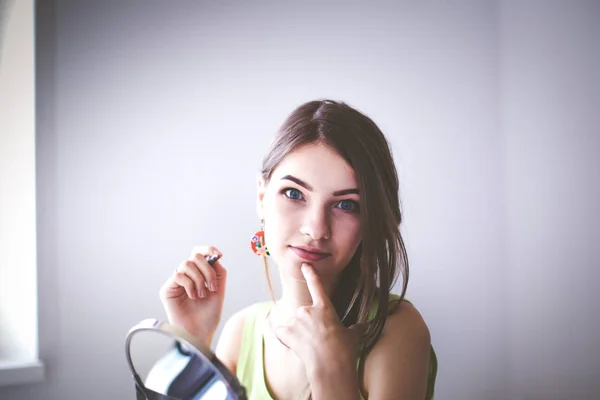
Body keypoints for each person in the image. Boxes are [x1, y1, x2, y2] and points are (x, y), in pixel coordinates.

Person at [160, 99, 437, 399]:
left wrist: (332, 375)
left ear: (370, 221)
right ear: (261, 197)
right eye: (294, 193)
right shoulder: (240, 333)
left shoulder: (395, 330)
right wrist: (192, 344)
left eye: (346, 205)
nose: (316, 229)